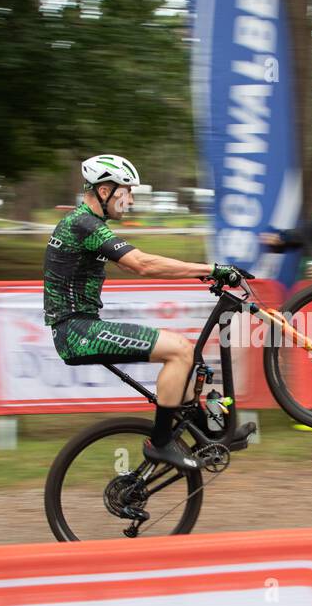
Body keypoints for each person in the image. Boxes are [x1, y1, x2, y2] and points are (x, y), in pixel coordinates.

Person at [44, 153, 252, 472]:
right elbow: (143, 264)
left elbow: (138, 262)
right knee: (181, 351)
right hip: (76, 332)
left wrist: (201, 272)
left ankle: (209, 434)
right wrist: (212, 269)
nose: (129, 200)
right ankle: (160, 443)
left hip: (79, 327)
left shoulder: (85, 224)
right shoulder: (84, 223)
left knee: (187, 356)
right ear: (104, 191)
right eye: (126, 191)